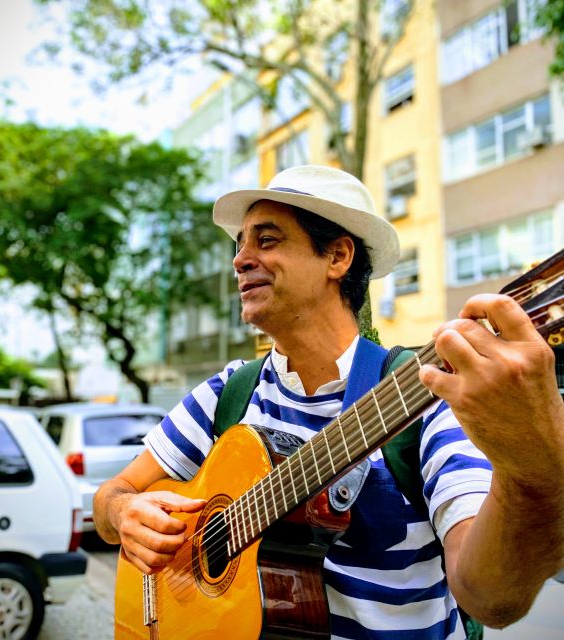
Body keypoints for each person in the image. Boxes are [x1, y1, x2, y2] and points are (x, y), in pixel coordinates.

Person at [94, 165, 564, 637]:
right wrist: (124, 514)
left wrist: (534, 463)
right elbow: (111, 496)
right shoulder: (228, 394)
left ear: (337, 256)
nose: (240, 260)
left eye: (268, 240)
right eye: (240, 245)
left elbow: (491, 599)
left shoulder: (431, 394)